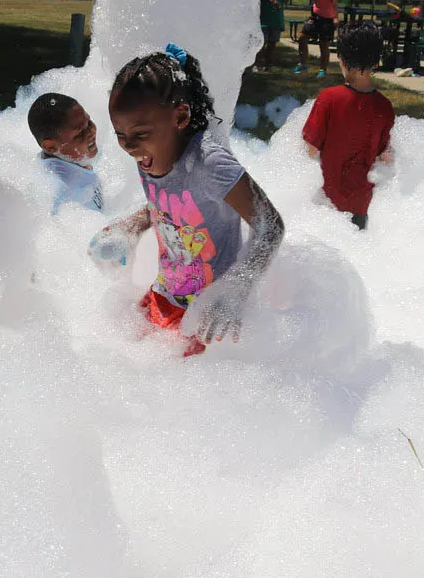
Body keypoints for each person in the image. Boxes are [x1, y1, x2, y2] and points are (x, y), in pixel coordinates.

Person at [92, 43, 285, 356]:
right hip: (165, 295)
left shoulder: (210, 163)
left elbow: (270, 225)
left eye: (139, 134)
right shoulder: (149, 154)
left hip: (209, 313)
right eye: (120, 135)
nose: (129, 146)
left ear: (180, 117)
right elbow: (166, 206)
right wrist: (132, 225)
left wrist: (236, 288)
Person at [302, 20, 394, 231]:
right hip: (363, 204)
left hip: (328, 202)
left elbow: (310, 150)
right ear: (377, 62)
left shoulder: (329, 99)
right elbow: (384, 156)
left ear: (341, 59)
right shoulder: (384, 106)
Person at [27, 92, 103, 214]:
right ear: (50, 147)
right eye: (79, 134)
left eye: (89, 123)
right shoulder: (63, 196)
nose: (91, 132)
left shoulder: (73, 157)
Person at [294, 0, 337, 78]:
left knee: (324, 44)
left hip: (327, 18)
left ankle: (322, 70)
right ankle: (302, 65)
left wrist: (335, 17)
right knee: (302, 38)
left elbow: (333, 0)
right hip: (315, 16)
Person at [257, 0, 290, 71]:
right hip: (264, 19)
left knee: (272, 44)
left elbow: (286, 0)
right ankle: (257, 64)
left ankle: (268, 65)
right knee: (261, 43)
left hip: (276, 19)